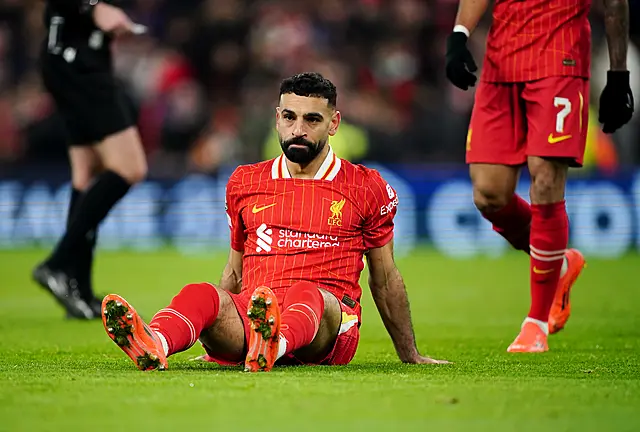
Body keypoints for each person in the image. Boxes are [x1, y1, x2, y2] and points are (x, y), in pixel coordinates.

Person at [101, 72, 449, 371]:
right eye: (289, 117)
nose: (298, 129)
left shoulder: (366, 186)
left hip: (328, 327)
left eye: (312, 119)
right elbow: (235, 272)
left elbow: (385, 278)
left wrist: (410, 354)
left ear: (334, 123)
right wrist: (218, 334)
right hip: (254, 317)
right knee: (202, 294)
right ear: (277, 117)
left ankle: (274, 344)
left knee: (309, 294)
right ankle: (156, 341)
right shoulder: (245, 181)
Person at [445, 0, 634, 352]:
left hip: (559, 61)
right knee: (488, 194)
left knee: (545, 178)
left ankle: (536, 322)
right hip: (501, 66)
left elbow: (614, 4)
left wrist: (618, 74)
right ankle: (558, 262)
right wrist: (459, 35)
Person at [33, 0, 149, 319]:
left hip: (65, 61)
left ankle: (78, 289)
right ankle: (56, 265)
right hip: (80, 65)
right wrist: (92, 7)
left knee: (86, 174)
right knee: (130, 168)